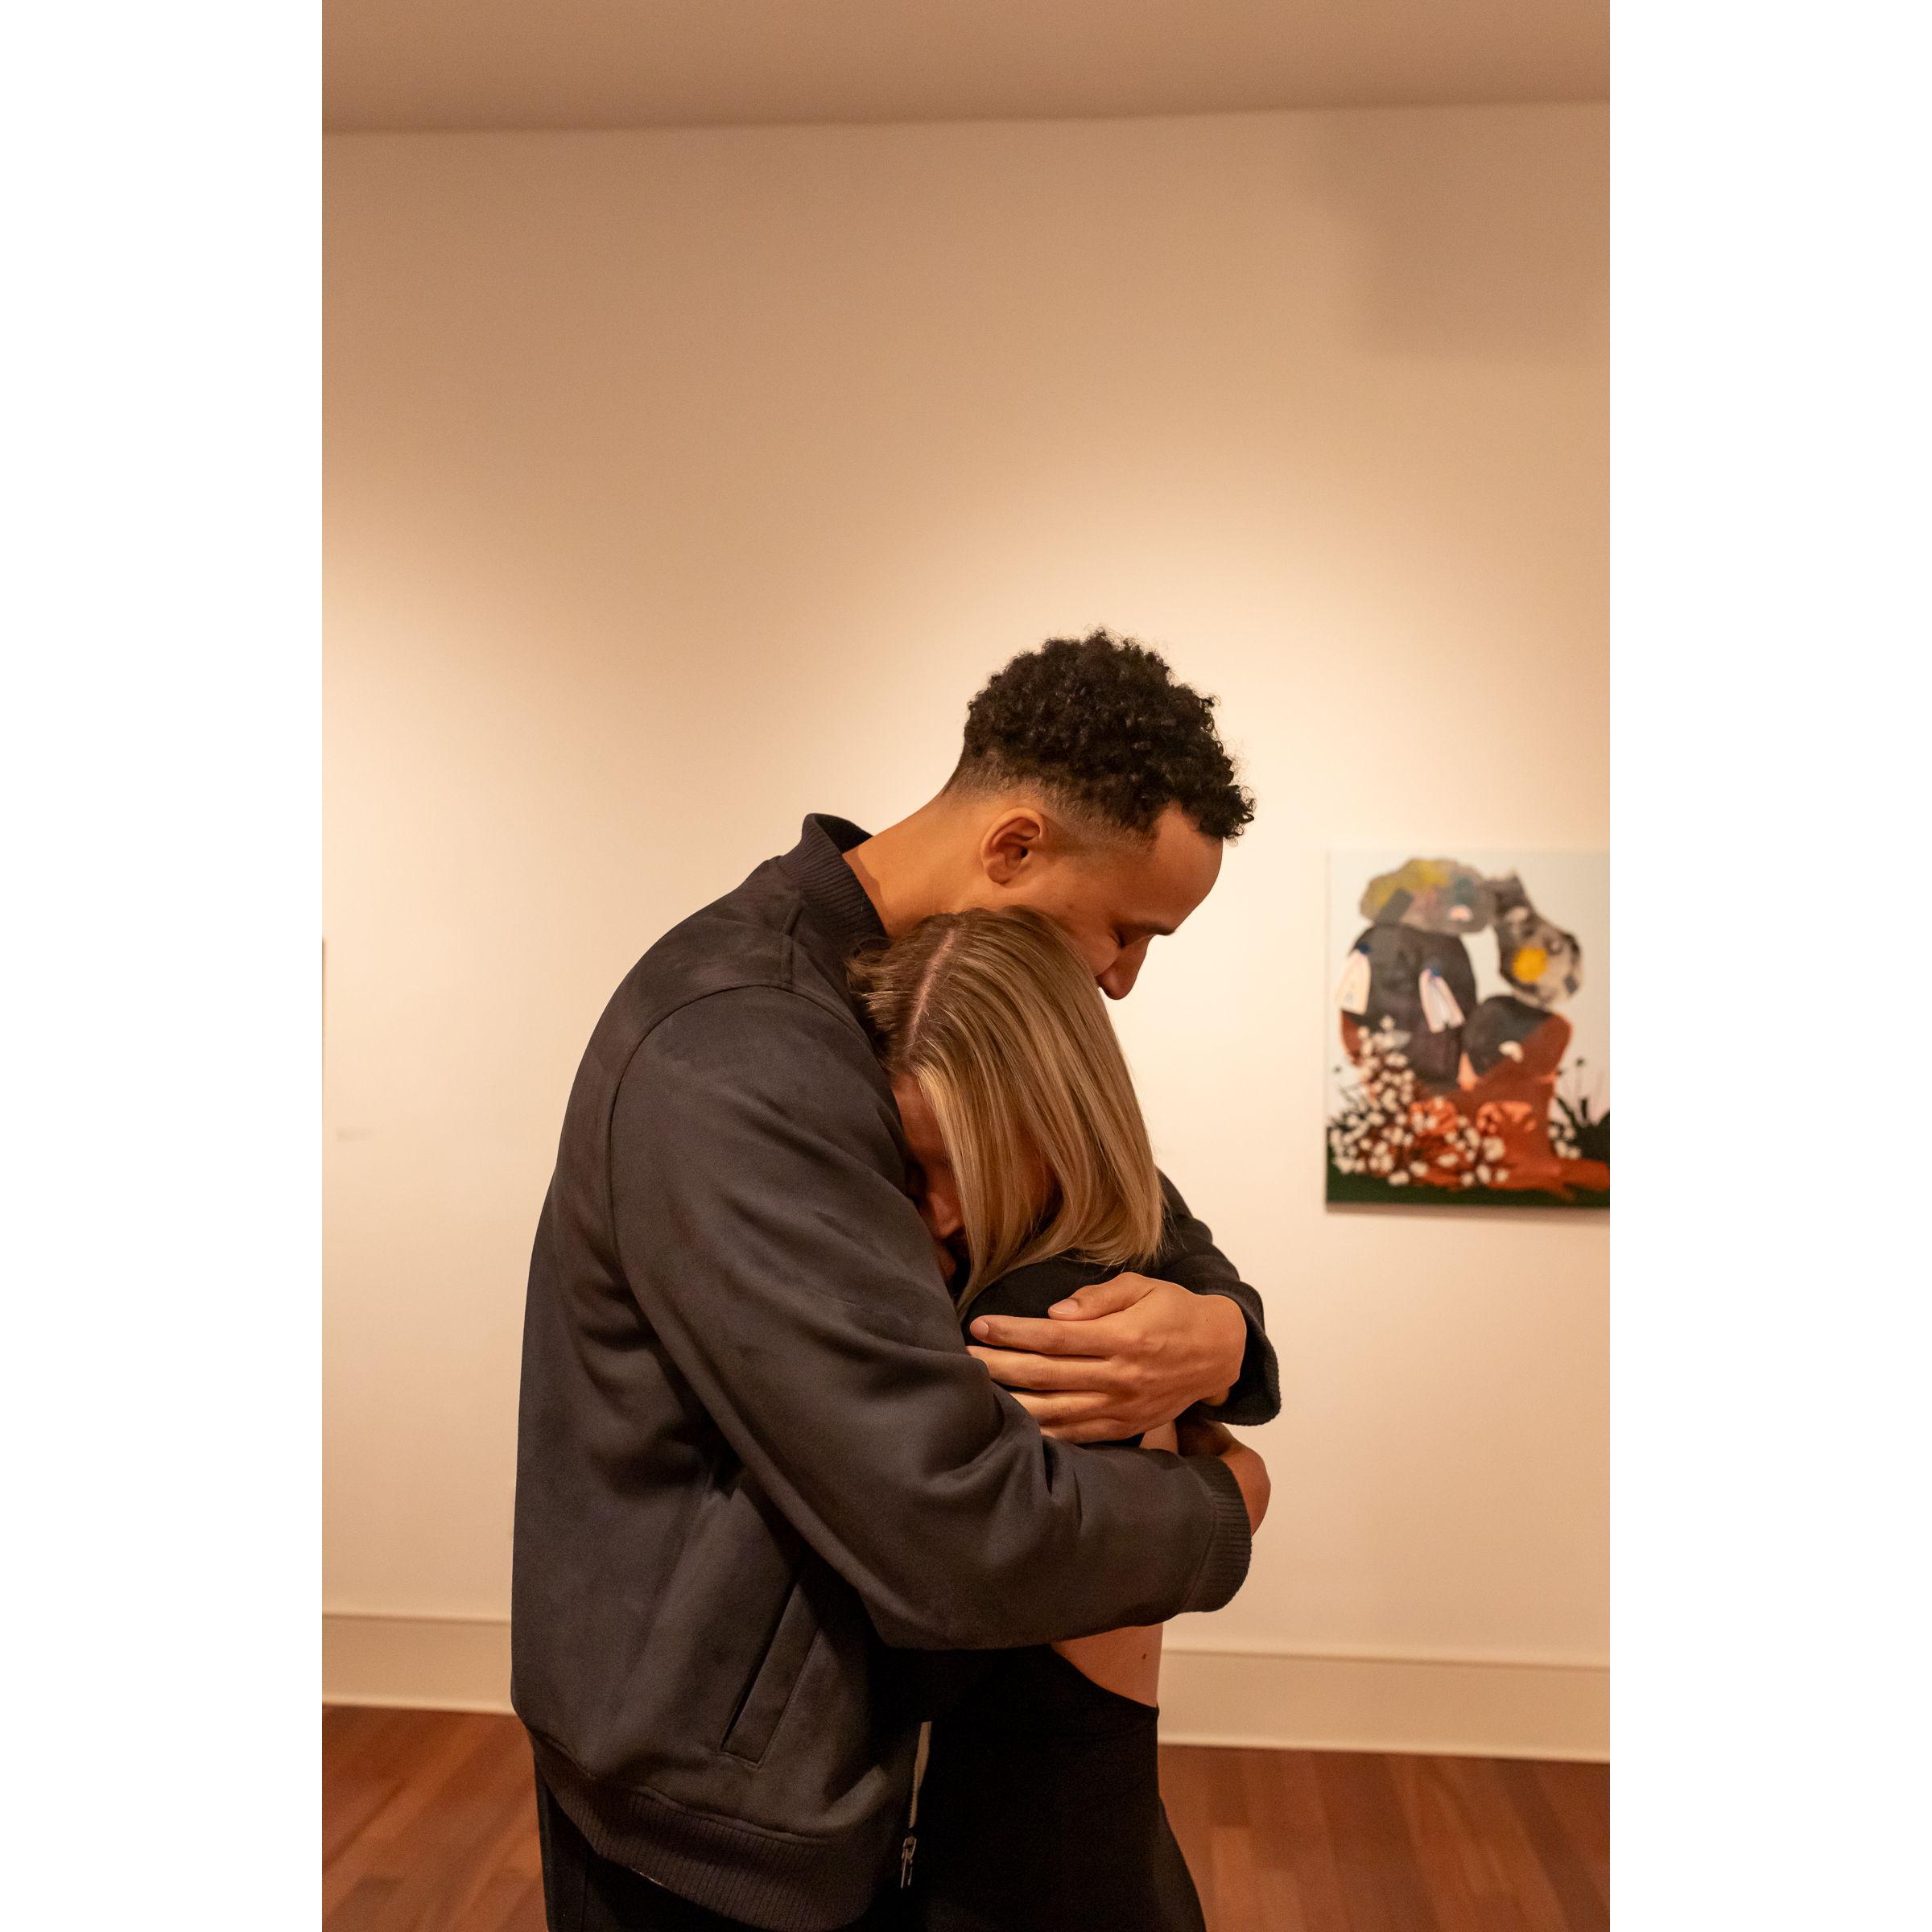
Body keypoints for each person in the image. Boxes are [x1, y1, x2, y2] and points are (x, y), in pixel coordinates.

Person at [512, 630, 1282, 1931]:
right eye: (1126, 929)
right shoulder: (745, 1048)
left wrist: (1223, 1333)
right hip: (710, 1817)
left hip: (827, 1759)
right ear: (1015, 846)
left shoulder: (920, 991)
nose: (1122, 978)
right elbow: (950, 1524)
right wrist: (1227, 1504)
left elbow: (1120, 1192)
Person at [849, 906, 1270, 1932]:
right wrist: (1234, 1482)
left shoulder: (1042, 1308)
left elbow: (970, 1577)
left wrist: (1226, 1352)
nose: (942, 1212)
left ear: (1061, 1121)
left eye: (966, 1163)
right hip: (1087, 1809)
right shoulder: (1102, 1228)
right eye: (914, 1169)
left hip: (1033, 1842)